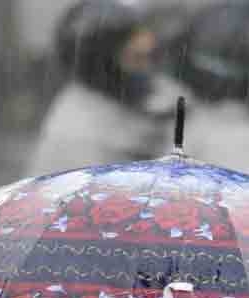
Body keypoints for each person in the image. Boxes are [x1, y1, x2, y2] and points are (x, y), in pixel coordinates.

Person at [27, 0, 183, 176]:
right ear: (101, 64)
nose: (147, 72)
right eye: (137, 59)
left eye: (150, 58)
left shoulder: (110, 100)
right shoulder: (79, 137)